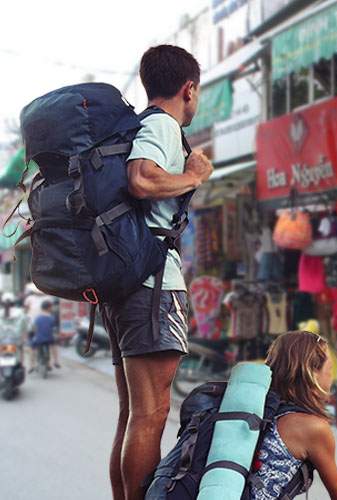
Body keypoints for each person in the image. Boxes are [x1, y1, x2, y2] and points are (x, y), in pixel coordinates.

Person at [101, 44, 213, 500]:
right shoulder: (163, 125)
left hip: (124, 285)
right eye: (197, 92)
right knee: (150, 414)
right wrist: (193, 176)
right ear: (188, 89)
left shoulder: (135, 126)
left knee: (133, 414)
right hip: (151, 288)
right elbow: (142, 178)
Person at [252, 331, 337, 500]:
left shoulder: (260, 408)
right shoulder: (313, 428)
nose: (331, 378)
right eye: (329, 370)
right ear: (313, 374)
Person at [23, 282, 60, 370]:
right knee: (51, 343)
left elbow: (25, 311)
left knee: (32, 345)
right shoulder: (47, 299)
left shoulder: (31, 299)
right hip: (41, 324)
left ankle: (32, 365)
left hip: (35, 325)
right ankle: (53, 362)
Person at [0, 292, 28, 365]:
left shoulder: (0, 312)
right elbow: (25, 325)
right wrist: (25, 335)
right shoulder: (20, 312)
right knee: (20, 349)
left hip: (2, 339)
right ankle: (21, 364)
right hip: (16, 339)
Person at [30, 300, 56, 369]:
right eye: (51, 307)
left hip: (39, 338)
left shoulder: (37, 318)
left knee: (33, 348)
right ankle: (55, 361)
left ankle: (32, 365)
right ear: (48, 308)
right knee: (53, 346)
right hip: (49, 338)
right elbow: (53, 329)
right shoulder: (51, 318)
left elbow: (34, 329)